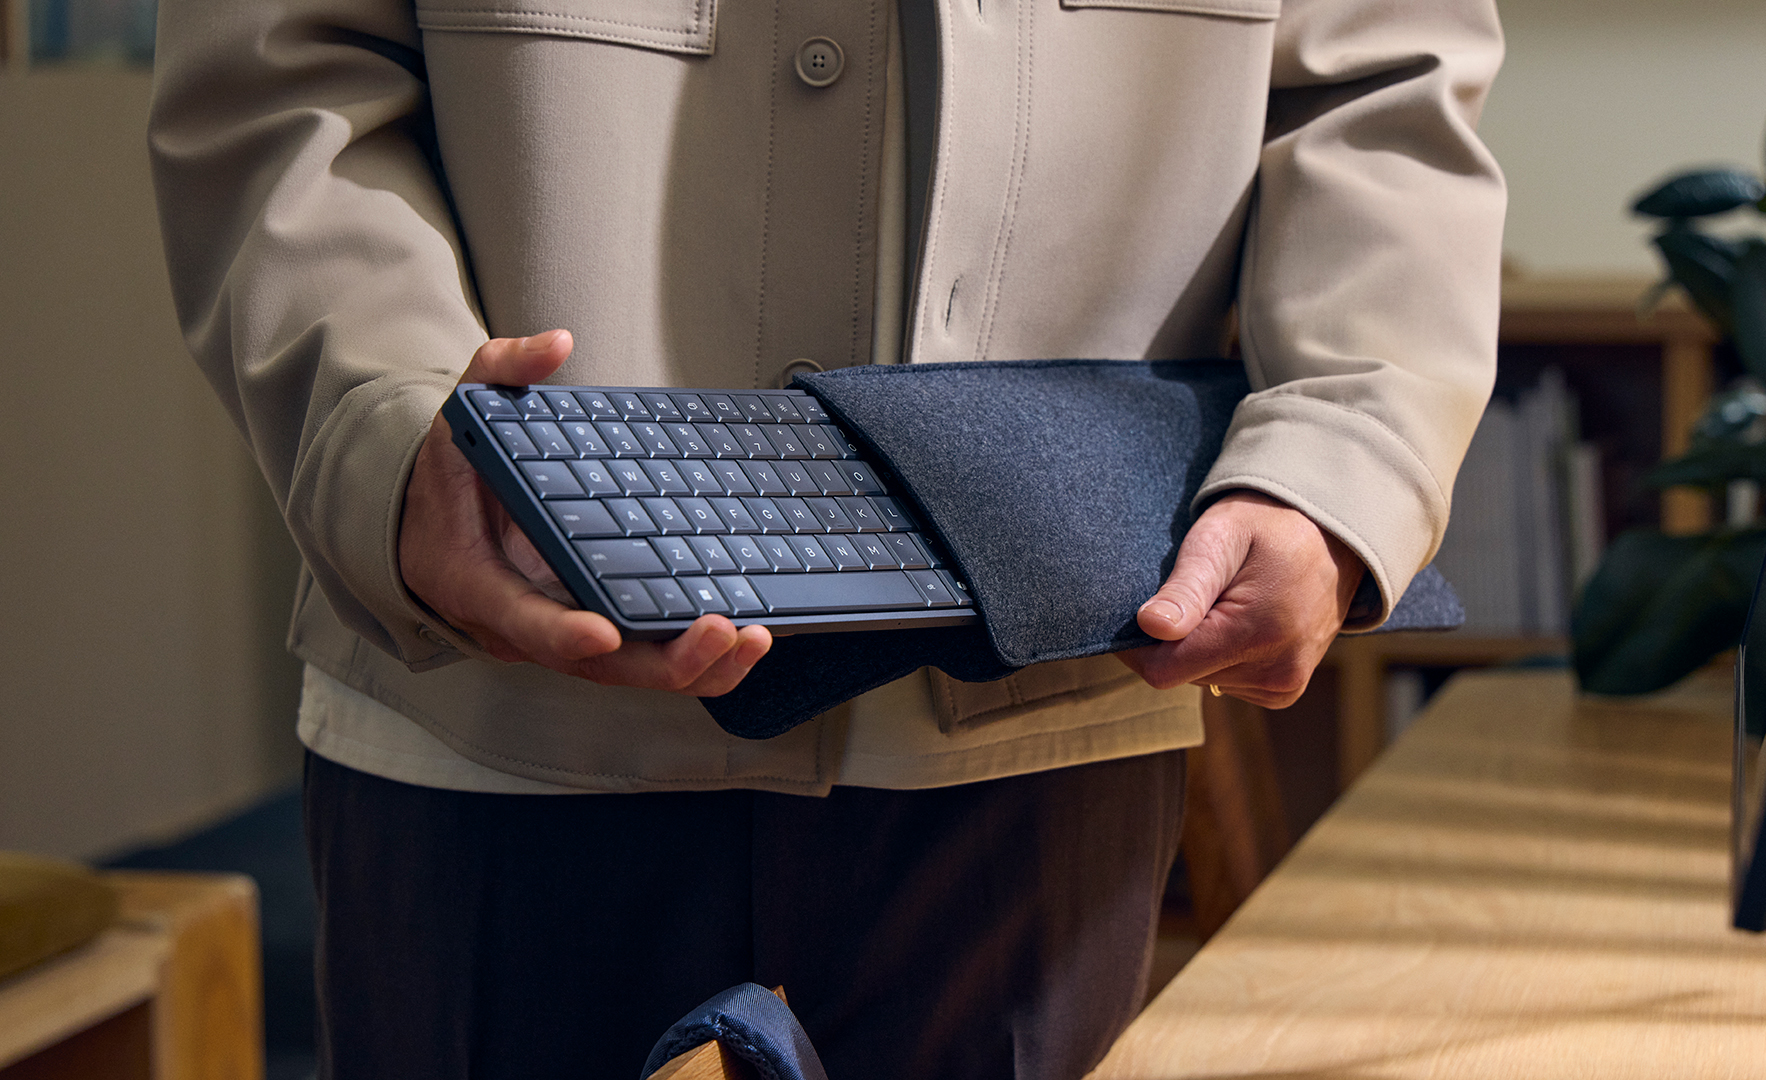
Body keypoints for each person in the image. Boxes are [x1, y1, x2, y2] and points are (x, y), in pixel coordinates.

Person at [149, 0, 1504, 1075]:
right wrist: (383, 433)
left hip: (1039, 722)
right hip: (498, 727)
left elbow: (1381, 94)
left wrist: (1340, 463)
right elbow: (286, 77)